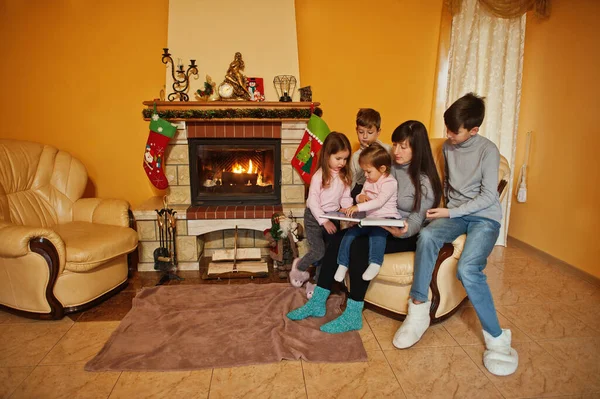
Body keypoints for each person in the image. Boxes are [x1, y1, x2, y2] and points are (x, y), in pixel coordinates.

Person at [393, 93, 518, 376]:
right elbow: (450, 188)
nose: (448, 135)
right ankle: (418, 310)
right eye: (446, 128)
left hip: (484, 218)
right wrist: (445, 209)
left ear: (473, 130)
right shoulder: (449, 149)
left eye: (454, 131)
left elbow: (488, 197)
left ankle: (497, 338)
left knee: (469, 269)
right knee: (426, 237)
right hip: (455, 214)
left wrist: (450, 212)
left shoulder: (488, 150)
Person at [287, 121, 443, 334]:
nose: (396, 151)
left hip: (403, 232)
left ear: (418, 148)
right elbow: (367, 191)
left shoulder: (425, 181)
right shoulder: (387, 167)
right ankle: (318, 301)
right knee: (337, 238)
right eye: (395, 144)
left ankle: (353, 314)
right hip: (377, 223)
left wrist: (403, 230)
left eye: (403, 146)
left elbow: (417, 219)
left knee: (359, 246)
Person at [288, 132, 353, 299]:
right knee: (318, 251)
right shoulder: (319, 176)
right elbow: (313, 201)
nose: (342, 163)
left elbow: (345, 197)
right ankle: (300, 266)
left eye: (345, 159)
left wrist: (348, 211)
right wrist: (324, 222)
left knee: (329, 252)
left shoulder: (344, 175)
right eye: (338, 158)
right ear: (327, 155)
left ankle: (317, 282)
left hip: (333, 217)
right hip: (314, 217)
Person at [334, 143, 400, 283]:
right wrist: (360, 198)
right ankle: (342, 264)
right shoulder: (369, 181)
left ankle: (375, 263)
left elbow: (379, 202)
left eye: (368, 171)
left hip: (385, 219)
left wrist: (358, 207)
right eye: (364, 171)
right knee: (350, 233)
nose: (365, 175)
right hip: (369, 219)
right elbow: (360, 195)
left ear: (382, 169)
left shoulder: (389, 182)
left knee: (377, 234)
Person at [350, 109, 392, 202]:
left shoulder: (388, 150)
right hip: (363, 190)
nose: (365, 136)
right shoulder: (355, 157)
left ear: (378, 132)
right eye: (361, 132)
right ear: (356, 130)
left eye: (370, 132)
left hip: (384, 189)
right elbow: (352, 182)